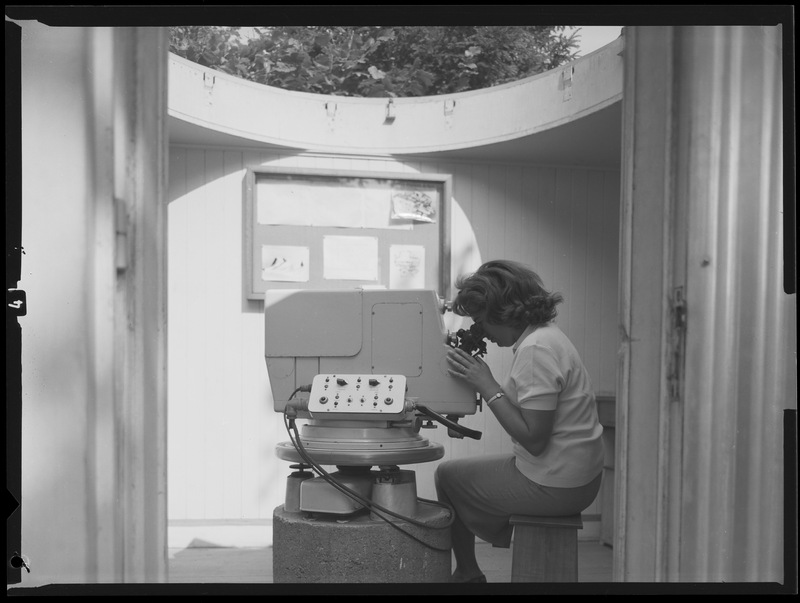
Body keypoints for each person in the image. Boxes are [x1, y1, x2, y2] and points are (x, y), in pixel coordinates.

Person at [436, 259, 604, 583]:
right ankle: (469, 571)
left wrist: (487, 386)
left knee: (447, 476)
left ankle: (468, 573)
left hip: (557, 483)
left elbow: (534, 440)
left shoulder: (535, 349)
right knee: (455, 474)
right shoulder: (546, 336)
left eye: (482, 322)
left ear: (504, 312)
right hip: (577, 475)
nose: (481, 330)